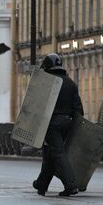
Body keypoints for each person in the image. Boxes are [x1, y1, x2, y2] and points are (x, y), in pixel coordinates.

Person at [32, 53, 83, 197]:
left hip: (51, 123)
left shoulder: (46, 82)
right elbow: (79, 109)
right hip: (67, 123)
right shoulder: (70, 83)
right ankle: (41, 184)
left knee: (58, 153)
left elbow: (36, 106)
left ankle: (71, 185)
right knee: (51, 154)